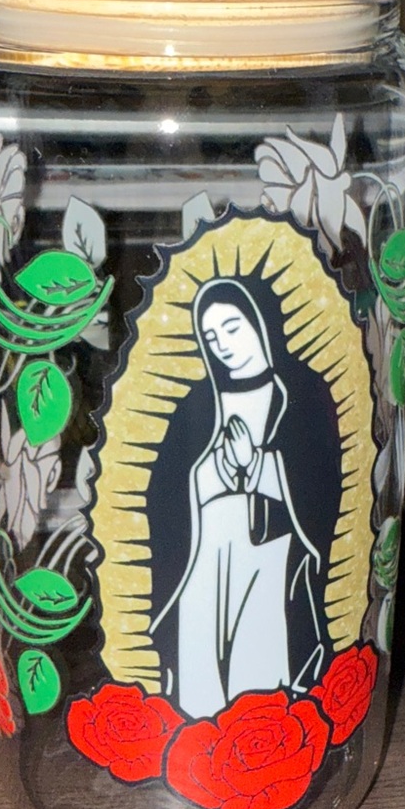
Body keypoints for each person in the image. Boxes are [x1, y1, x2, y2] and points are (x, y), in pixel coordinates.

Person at [149, 278, 335, 719]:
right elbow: (169, 486)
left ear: (261, 322)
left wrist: (257, 467)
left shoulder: (301, 395)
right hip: (207, 551)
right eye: (211, 338)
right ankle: (201, 732)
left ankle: (265, 733)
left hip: (271, 551)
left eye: (233, 328)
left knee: (260, 656)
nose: (224, 346)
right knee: (203, 655)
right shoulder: (200, 402)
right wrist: (216, 470)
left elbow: (319, 479)